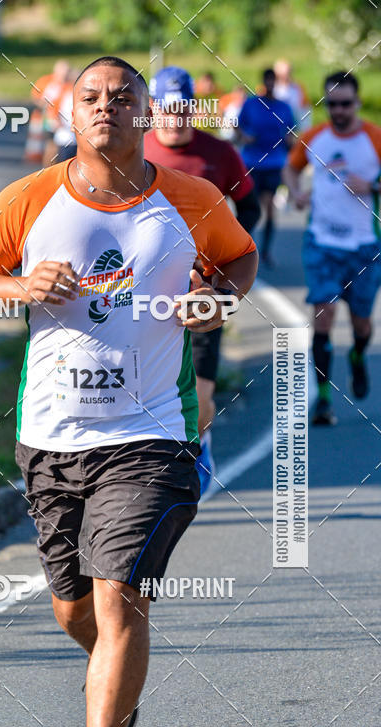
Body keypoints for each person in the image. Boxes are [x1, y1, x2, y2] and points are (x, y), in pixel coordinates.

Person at [0, 55, 257, 727]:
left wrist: (216, 298)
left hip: (152, 433)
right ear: (70, 111)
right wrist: (20, 287)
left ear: (146, 114)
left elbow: (240, 254)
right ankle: (119, 682)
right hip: (50, 437)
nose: (106, 109)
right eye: (91, 97)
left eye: (123, 99)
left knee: (119, 594)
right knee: (73, 610)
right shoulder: (30, 198)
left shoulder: (188, 199)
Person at [145, 66, 260, 494]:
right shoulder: (134, 152)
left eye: (183, 109)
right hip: (144, 293)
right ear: (152, 109)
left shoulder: (218, 154)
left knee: (202, 397)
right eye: (166, 109)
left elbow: (249, 208)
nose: (175, 118)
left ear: (194, 108)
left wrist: (221, 265)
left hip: (202, 291)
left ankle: (201, 441)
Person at [283, 71, 381, 426]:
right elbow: (291, 170)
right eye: (332, 104)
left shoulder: (374, 138)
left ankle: (356, 354)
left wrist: (371, 186)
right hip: (322, 244)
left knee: (362, 324)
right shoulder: (314, 138)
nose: (338, 110)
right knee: (322, 319)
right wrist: (295, 193)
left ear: (357, 102)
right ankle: (323, 400)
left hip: (364, 247)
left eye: (345, 103)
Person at [238, 69, 294, 266]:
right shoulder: (251, 104)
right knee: (251, 209)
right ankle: (243, 250)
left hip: (274, 163)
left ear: (276, 82)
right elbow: (237, 126)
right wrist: (245, 136)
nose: (270, 84)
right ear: (263, 82)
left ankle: (267, 251)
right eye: (267, 80)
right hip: (252, 163)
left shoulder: (284, 107)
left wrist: (290, 140)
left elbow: (292, 133)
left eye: (273, 81)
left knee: (269, 208)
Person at [273, 59, 311, 131]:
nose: (286, 76)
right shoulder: (268, 89)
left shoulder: (298, 87)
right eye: (283, 74)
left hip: (294, 123)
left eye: (288, 72)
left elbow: (305, 108)